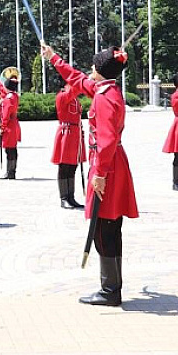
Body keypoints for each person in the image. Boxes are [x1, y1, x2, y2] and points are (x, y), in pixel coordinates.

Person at [44, 43, 138, 306]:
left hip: (106, 165)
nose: (89, 70)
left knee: (104, 229)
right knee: (109, 227)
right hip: (110, 163)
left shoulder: (103, 97)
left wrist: (100, 174)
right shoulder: (105, 89)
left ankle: (110, 291)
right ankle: (112, 286)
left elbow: (106, 139)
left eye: (93, 66)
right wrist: (54, 58)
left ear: (99, 69)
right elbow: (76, 78)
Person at [53, 80, 87, 209]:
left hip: (75, 133)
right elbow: (76, 90)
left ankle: (71, 197)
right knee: (64, 166)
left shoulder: (74, 98)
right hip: (66, 133)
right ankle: (64, 198)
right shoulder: (63, 95)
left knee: (73, 165)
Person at [0, 70, 21, 179]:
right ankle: (12, 171)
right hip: (14, 124)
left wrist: (2, 128)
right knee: (13, 149)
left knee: (9, 149)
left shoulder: (8, 99)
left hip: (9, 125)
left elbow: (5, 115)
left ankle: (10, 172)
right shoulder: (14, 96)